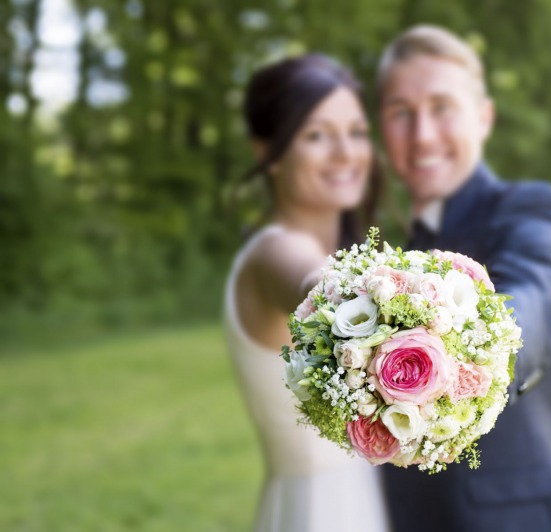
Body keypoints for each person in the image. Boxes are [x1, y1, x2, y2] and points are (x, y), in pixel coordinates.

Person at [377, 25, 551, 531]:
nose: (422, 133)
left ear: (484, 117)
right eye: (401, 113)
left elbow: (533, 301)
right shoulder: (392, 261)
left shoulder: (533, 210)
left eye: (442, 107)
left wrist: (462, 355)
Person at [223, 54, 390, 532]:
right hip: (322, 512)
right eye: (316, 135)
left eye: (356, 131)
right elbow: (308, 281)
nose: (345, 152)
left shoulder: (333, 245)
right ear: (267, 152)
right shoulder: (275, 254)